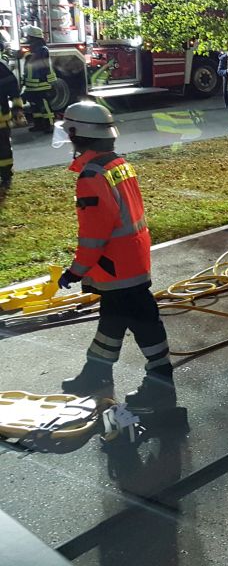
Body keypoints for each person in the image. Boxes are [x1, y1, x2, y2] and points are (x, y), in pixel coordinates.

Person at [55, 101, 176, 410]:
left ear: (75, 133)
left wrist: (76, 271)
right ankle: (95, 373)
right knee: (113, 321)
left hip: (116, 268)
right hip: (132, 260)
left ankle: (160, 385)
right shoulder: (117, 164)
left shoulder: (92, 176)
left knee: (143, 322)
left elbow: (94, 235)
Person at [20, 26, 57, 132]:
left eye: (30, 37)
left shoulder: (42, 50)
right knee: (35, 106)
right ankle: (39, 125)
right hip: (31, 85)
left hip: (41, 84)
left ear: (34, 38)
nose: (28, 39)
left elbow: (43, 65)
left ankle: (50, 125)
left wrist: (51, 82)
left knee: (45, 106)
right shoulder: (34, 49)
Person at [0, 51, 25, 187]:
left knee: (3, 150)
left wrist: (17, 110)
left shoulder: (0, 68)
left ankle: (5, 177)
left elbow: (13, 91)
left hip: (1, 119)